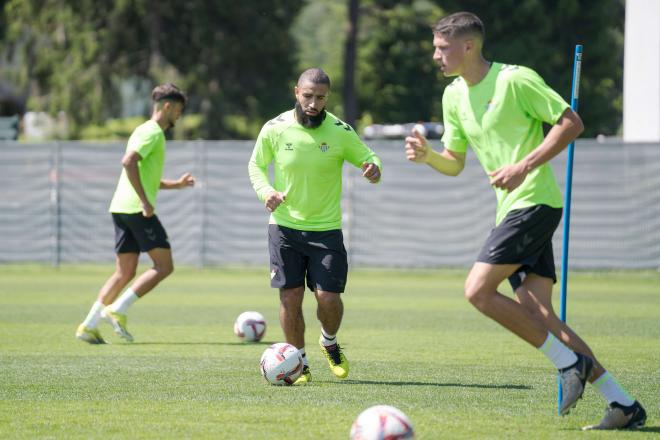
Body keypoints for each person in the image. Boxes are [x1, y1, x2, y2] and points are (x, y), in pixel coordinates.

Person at [405, 12, 646, 430]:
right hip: (510, 208)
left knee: (477, 290)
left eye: (442, 48)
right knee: (540, 314)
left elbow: (571, 123)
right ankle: (622, 403)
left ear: (468, 47)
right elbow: (455, 164)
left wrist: (524, 165)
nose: (435, 56)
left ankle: (567, 363)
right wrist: (428, 157)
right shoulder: (453, 97)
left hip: (534, 201)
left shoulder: (516, 79)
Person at [248, 68, 382, 385]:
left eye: (320, 97)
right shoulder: (275, 128)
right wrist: (266, 192)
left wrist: (374, 169)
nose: (313, 103)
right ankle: (299, 363)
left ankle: (329, 341)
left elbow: (369, 156)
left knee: (329, 300)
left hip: (326, 230)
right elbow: (255, 165)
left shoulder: (340, 131)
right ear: (297, 92)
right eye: (307, 96)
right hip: (284, 228)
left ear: (327, 97)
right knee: (290, 299)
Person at [76, 83, 194, 344]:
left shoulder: (144, 130)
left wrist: (175, 184)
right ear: (167, 106)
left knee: (125, 272)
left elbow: (143, 174)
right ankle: (118, 309)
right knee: (164, 266)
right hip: (135, 209)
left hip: (120, 208)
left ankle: (88, 325)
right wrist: (145, 201)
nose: (179, 116)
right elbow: (128, 162)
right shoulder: (153, 132)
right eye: (179, 110)